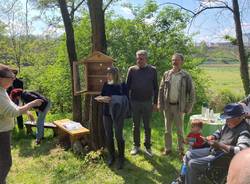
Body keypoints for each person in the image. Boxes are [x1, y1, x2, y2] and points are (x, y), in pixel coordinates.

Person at [183, 103, 250, 184]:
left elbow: (241, 151)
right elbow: (219, 132)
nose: (226, 120)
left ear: (238, 117)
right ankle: (185, 178)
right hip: (215, 150)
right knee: (189, 154)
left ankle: (191, 180)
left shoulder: (244, 131)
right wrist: (212, 137)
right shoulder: (229, 123)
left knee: (192, 164)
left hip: (223, 158)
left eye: (228, 118)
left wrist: (221, 145)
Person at [0, 64, 42, 184]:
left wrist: (27, 111)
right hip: (1, 132)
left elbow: (12, 106)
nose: (13, 80)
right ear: (1, 79)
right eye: (10, 78)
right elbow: (13, 111)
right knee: (6, 162)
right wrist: (32, 103)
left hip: (4, 130)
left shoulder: (2, 90)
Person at [158, 53, 195, 157]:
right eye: (173, 60)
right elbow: (161, 90)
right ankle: (168, 149)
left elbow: (191, 93)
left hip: (179, 107)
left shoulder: (185, 76)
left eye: (177, 60)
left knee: (180, 130)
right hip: (167, 107)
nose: (174, 62)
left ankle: (181, 150)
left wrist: (188, 107)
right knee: (167, 130)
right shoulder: (166, 74)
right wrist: (160, 104)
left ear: (182, 62)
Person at [96, 67, 129, 169]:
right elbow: (102, 95)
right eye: (107, 74)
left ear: (115, 74)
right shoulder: (106, 84)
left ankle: (121, 158)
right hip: (106, 113)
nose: (107, 76)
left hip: (118, 114)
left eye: (109, 74)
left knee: (118, 135)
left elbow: (126, 99)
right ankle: (111, 156)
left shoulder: (122, 85)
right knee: (109, 135)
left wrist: (112, 99)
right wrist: (101, 99)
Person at [126, 50, 158, 157]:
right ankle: (136, 146)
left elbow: (156, 88)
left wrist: (155, 103)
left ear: (146, 59)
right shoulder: (132, 70)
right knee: (136, 125)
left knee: (147, 125)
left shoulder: (152, 70)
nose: (139, 60)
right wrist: (127, 102)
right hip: (134, 102)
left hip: (147, 102)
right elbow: (127, 87)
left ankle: (148, 147)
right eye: (137, 58)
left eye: (141, 58)